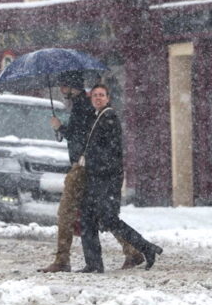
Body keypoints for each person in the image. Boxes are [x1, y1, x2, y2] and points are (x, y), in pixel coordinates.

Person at [39, 72, 144, 272]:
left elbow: (82, 137)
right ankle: (132, 250)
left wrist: (61, 128)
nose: (61, 90)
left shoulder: (82, 107)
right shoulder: (83, 106)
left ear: (72, 86)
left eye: (63, 86)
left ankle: (63, 260)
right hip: (88, 167)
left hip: (81, 168)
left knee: (67, 212)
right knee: (99, 214)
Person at [77, 84, 162, 273]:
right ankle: (93, 263)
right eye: (95, 95)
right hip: (97, 177)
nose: (98, 98)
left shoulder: (109, 117)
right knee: (88, 218)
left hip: (105, 179)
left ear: (108, 98)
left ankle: (146, 248)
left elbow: (109, 150)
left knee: (108, 219)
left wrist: (93, 162)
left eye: (102, 95)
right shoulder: (97, 117)